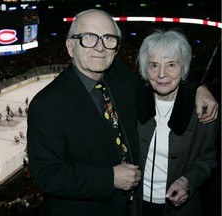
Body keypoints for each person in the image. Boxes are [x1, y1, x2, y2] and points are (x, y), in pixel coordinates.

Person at [27, 9, 218, 216]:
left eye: (108, 38)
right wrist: (109, 178)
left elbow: (161, 80)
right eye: (88, 37)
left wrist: (198, 89)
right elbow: (47, 175)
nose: (100, 47)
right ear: (70, 46)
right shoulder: (46, 104)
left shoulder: (121, 76)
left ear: (116, 48)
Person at [135, 29, 219, 216]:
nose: (162, 74)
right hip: (135, 207)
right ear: (145, 69)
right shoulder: (133, 103)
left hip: (180, 210)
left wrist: (187, 182)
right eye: (154, 65)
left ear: (183, 67)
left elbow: (207, 159)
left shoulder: (203, 110)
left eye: (171, 65)